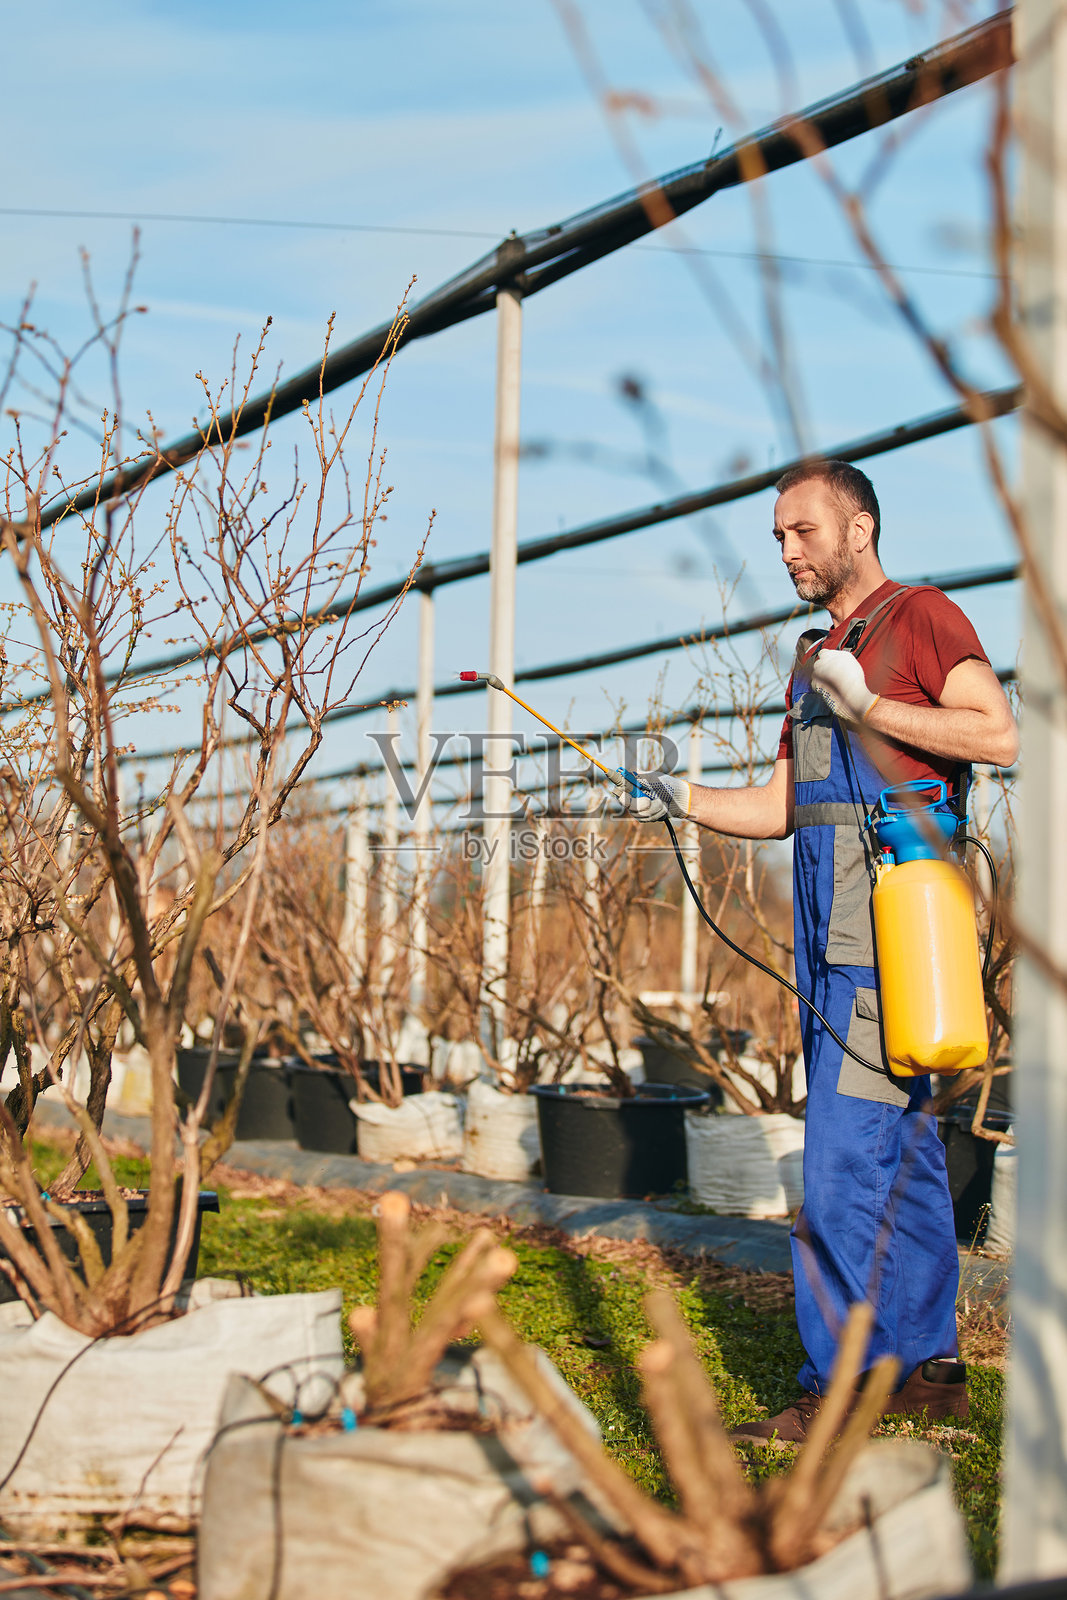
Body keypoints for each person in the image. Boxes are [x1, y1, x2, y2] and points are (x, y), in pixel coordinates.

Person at [613, 460, 1018, 1443]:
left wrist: (868, 705)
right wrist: (686, 800)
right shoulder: (808, 659)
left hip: (894, 932)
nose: (786, 550)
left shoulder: (920, 620)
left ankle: (833, 1390)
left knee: (840, 1165)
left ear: (859, 527)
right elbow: (788, 804)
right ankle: (925, 1371)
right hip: (825, 937)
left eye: (801, 531)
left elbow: (996, 735)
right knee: (910, 1155)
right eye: (777, 537)